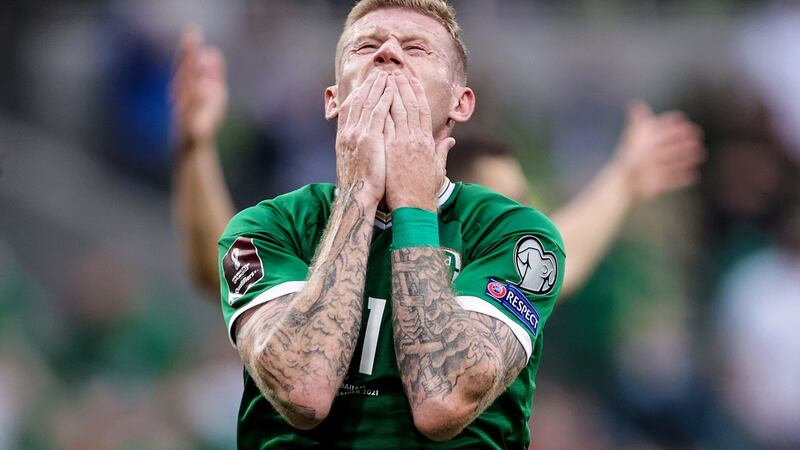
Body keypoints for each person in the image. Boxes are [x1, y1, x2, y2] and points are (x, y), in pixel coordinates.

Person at [175, 1, 564, 447]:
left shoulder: (514, 233)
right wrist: (359, 193)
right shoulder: (268, 227)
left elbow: (445, 402)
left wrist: (414, 206)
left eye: (417, 48)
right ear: (333, 100)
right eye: (368, 45)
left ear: (461, 102)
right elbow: (301, 393)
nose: (389, 54)